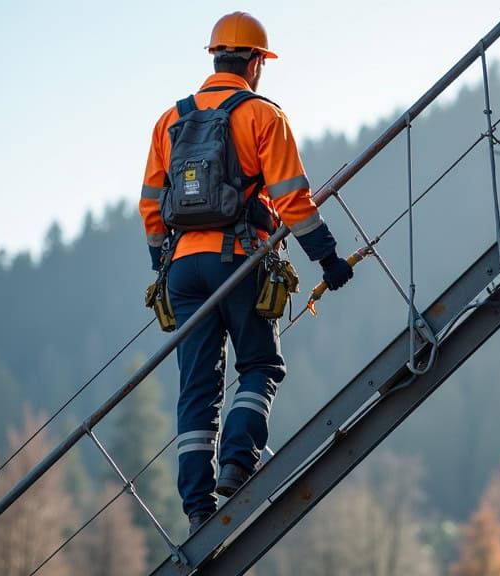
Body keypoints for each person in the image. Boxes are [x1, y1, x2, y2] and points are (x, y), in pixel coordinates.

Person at [138, 11, 353, 533]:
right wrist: (328, 259)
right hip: (241, 258)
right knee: (259, 364)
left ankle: (196, 507)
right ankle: (238, 463)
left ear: (214, 57)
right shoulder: (263, 115)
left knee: (197, 389)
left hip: (184, 267)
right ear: (256, 62)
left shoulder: (170, 120)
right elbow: (292, 200)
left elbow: (150, 206)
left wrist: (163, 263)